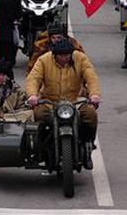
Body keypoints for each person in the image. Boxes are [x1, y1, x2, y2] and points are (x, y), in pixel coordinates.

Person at [26, 37, 101, 168]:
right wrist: (32, 95)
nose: (64, 58)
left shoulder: (80, 58)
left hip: (75, 101)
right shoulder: (44, 60)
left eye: (67, 55)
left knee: (90, 114)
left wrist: (94, 94)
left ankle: (88, 145)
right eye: (61, 55)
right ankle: (41, 148)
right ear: (54, 55)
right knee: (38, 114)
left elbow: (91, 76)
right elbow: (34, 78)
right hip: (50, 102)